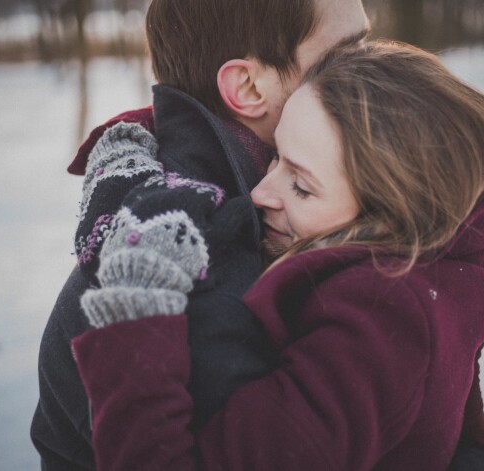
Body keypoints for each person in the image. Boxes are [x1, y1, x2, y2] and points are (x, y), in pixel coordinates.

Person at [71, 41, 484, 470]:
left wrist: (136, 306)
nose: (261, 193)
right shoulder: (443, 269)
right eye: (275, 156)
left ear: (391, 217)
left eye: (302, 186)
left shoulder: (377, 328)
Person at [31, 0, 370, 469]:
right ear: (248, 86)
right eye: (346, 54)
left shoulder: (286, 204)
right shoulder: (197, 272)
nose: (376, 69)